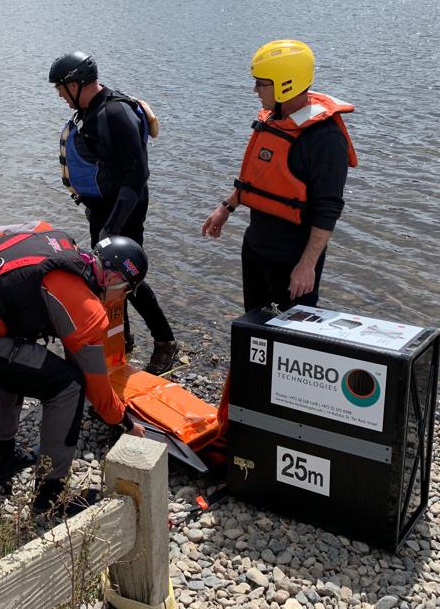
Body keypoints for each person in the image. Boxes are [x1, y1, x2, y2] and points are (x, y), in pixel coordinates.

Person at [0, 222, 147, 515]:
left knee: (18, 358)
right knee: (68, 386)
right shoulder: (87, 310)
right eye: (126, 290)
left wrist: (6, 302)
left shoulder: (48, 231)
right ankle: (50, 497)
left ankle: (4, 459)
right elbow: (98, 392)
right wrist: (126, 422)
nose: (121, 298)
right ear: (114, 278)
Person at [49, 51, 181, 374]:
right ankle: (121, 338)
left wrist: (113, 227)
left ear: (76, 84)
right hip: (104, 209)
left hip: (126, 208)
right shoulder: (89, 111)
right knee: (107, 278)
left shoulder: (115, 113)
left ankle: (165, 342)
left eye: (60, 90)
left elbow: (136, 177)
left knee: (128, 277)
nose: (60, 98)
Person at [202, 40, 357, 312]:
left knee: (293, 339)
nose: (255, 90)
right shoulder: (275, 119)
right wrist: (226, 207)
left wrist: (307, 265)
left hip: (294, 258)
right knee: (252, 327)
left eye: (261, 83)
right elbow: (259, 176)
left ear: (287, 83)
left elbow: (328, 208)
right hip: (256, 247)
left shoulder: (326, 139)